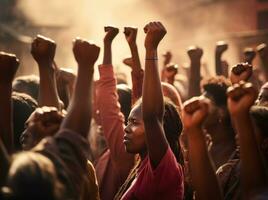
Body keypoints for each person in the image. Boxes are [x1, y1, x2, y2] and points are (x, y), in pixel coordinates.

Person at [1, 38, 100, 200]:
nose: (29, 130)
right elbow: (73, 138)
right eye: (28, 125)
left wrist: (4, 85)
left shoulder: (9, 179)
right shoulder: (68, 185)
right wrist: (86, 67)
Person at [115, 21, 184, 200]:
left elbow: (151, 115)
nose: (126, 128)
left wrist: (151, 49)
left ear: (159, 130)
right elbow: (140, 98)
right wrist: (133, 47)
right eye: (128, 121)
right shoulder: (143, 165)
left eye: (135, 123)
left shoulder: (164, 169)